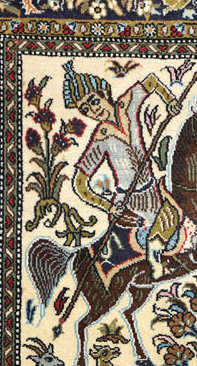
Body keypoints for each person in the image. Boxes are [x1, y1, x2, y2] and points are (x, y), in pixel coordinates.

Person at [63, 61, 182, 278]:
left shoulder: (127, 105)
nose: (93, 110)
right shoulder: (100, 138)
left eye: (93, 101)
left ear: (103, 93)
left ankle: (156, 254)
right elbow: (79, 183)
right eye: (85, 109)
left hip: (152, 190)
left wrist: (170, 101)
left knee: (174, 214)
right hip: (128, 201)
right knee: (164, 219)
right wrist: (108, 206)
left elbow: (151, 82)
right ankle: (155, 262)